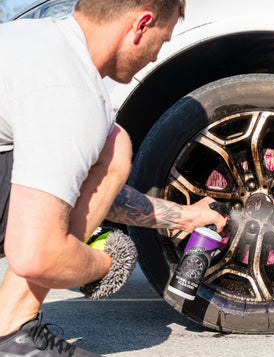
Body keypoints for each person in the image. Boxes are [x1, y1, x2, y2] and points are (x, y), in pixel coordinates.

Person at [0, 0, 227, 355]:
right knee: (114, 145)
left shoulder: (35, 40)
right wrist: (107, 263)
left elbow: (75, 189)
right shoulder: (71, 92)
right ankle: (14, 335)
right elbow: (34, 256)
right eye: (162, 41)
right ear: (141, 25)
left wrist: (186, 216)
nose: (155, 57)